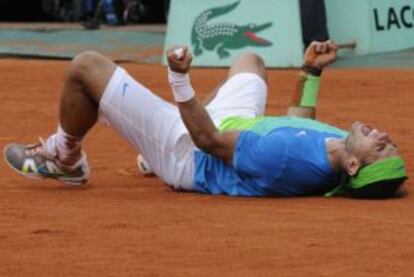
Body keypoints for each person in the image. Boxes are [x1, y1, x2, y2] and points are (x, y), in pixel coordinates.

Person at [3, 41, 407, 199]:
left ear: (354, 165)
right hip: (234, 130)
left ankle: (64, 157)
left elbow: (207, 139)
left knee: (84, 68)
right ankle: (150, 135)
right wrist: (310, 72)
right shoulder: (336, 147)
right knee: (250, 61)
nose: (385, 134)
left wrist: (179, 79)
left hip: (188, 151)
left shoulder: (284, 157)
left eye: (381, 146)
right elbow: (296, 125)